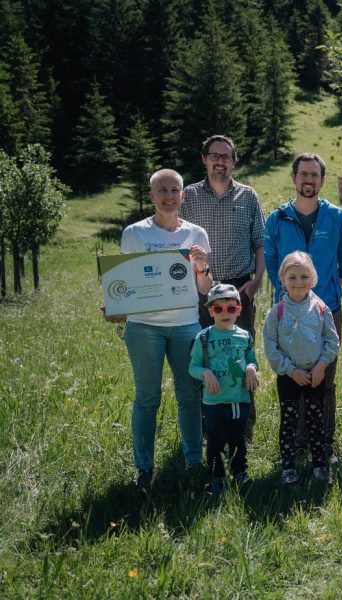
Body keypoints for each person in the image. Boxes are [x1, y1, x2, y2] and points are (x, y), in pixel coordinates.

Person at [111, 168, 213, 491]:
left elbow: (205, 288)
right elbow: (122, 283)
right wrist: (115, 307)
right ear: (152, 195)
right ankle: (144, 469)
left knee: (190, 396)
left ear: (182, 195)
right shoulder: (134, 234)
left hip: (186, 326)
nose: (169, 196)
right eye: (162, 190)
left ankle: (193, 461)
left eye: (174, 191)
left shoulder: (197, 234)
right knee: (147, 398)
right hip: (144, 328)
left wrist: (202, 265)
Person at [264, 152, 342, 459]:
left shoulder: (337, 217)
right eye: (303, 174)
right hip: (288, 312)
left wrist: (321, 295)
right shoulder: (277, 219)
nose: (308, 179)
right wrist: (292, 296)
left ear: (322, 180)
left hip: (326, 310)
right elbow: (272, 263)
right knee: (293, 380)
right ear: (294, 178)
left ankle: (323, 443)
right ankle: (297, 443)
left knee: (322, 379)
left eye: (314, 174)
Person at [180, 134, 265, 440]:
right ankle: (208, 427)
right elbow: (178, 242)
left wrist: (257, 279)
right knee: (204, 352)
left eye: (226, 156)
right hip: (202, 289)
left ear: (234, 161)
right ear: (205, 159)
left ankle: (244, 428)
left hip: (240, 288)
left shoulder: (248, 196)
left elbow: (260, 242)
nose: (220, 162)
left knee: (242, 354)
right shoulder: (189, 196)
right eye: (214, 156)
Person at [262, 252, 340, 486]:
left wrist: (322, 366)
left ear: (313, 278)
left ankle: (319, 466)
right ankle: (288, 467)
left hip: (316, 375)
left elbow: (332, 340)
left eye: (304, 276)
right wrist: (290, 370)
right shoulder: (276, 312)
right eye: (292, 277)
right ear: (283, 280)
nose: (298, 282)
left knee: (316, 422)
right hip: (289, 376)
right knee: (288, 423)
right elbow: (271, 346)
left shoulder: (321, 308)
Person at [188, 284, 260, 495]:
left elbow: (252, 360)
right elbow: (193, 367)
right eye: (218, 309)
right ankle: (216, 477)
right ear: (210, 311)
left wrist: (251, 368)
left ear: (239, 310)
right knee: (215, 441)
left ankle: (240, 472)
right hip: (213, 401)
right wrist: (205, 373)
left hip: (239, 399)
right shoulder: (203, 338)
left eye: (230, 308)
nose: (224, 313)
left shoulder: (244, 336)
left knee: (238, 439)